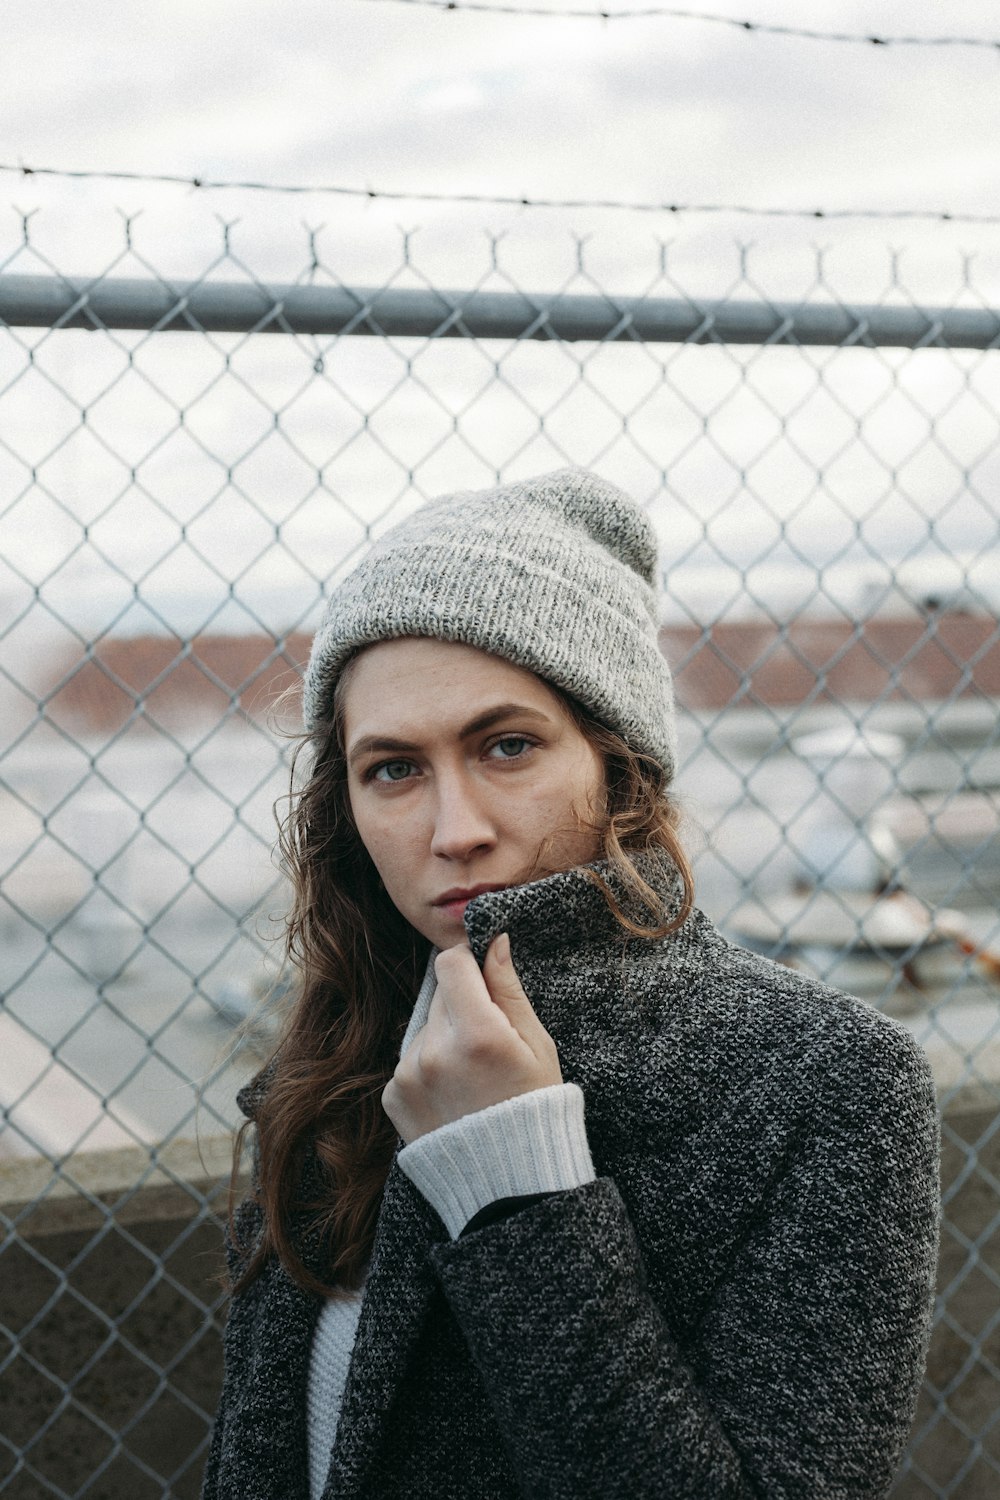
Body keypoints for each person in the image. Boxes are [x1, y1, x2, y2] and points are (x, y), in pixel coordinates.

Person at [202, 468, 940, 1500]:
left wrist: (516, 1188)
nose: (453, 830)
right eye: (393, 769)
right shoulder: (341, 1049)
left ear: (616, 761)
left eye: (507, 746)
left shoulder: (822, 1081)